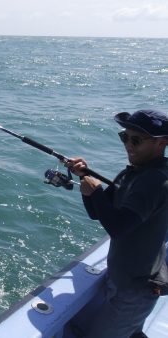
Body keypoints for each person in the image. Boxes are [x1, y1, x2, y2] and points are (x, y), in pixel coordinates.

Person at [67, 109, 168, 338]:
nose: (128, 145)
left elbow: (118, 228)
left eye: (136, 140)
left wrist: (96, 192)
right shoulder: (133, 173)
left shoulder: (155, 181)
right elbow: (98, 213)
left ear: (161, 143)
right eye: (125, 137)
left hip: (135, 289)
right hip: (123, 278)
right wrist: (85, 177)